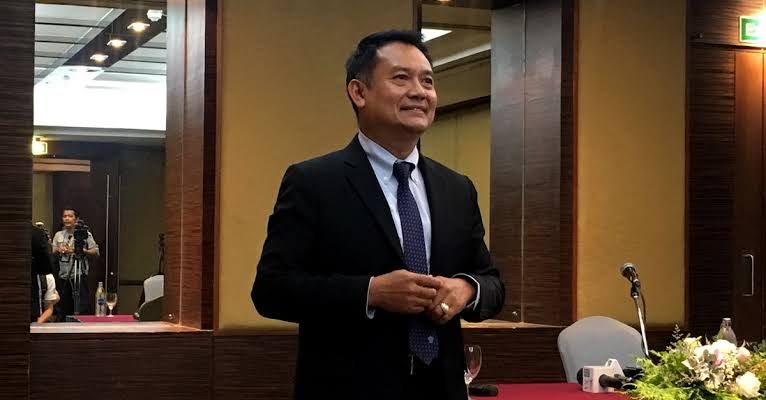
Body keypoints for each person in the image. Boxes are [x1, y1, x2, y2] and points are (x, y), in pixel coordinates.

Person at [252, 30, 504, 400]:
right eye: (401, 78)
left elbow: (492, 282)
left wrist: (466, 289)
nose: (419, 92)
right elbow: (271, 290)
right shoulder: (314, 182)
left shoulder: (457, 188)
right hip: (349, 389)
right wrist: (371, 292)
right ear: (359, 92)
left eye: (428, 81)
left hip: (442, 387)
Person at [51, 208, 99, 317]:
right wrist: (59, 249)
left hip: (79, 275)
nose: (67, 219)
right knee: (64, 307)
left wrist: (79, 250)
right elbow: (53, 251)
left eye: (70, 216)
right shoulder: (58, 235)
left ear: (76, 219)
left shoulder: (85, 234)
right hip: (63, 276)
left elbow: (95, 252)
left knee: (82, 307)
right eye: (64, 216)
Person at [31, 222, 59, 323]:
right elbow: (45, 268)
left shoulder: (47, 278)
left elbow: (49, 309)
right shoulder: (36, 234)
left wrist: (38, 323)